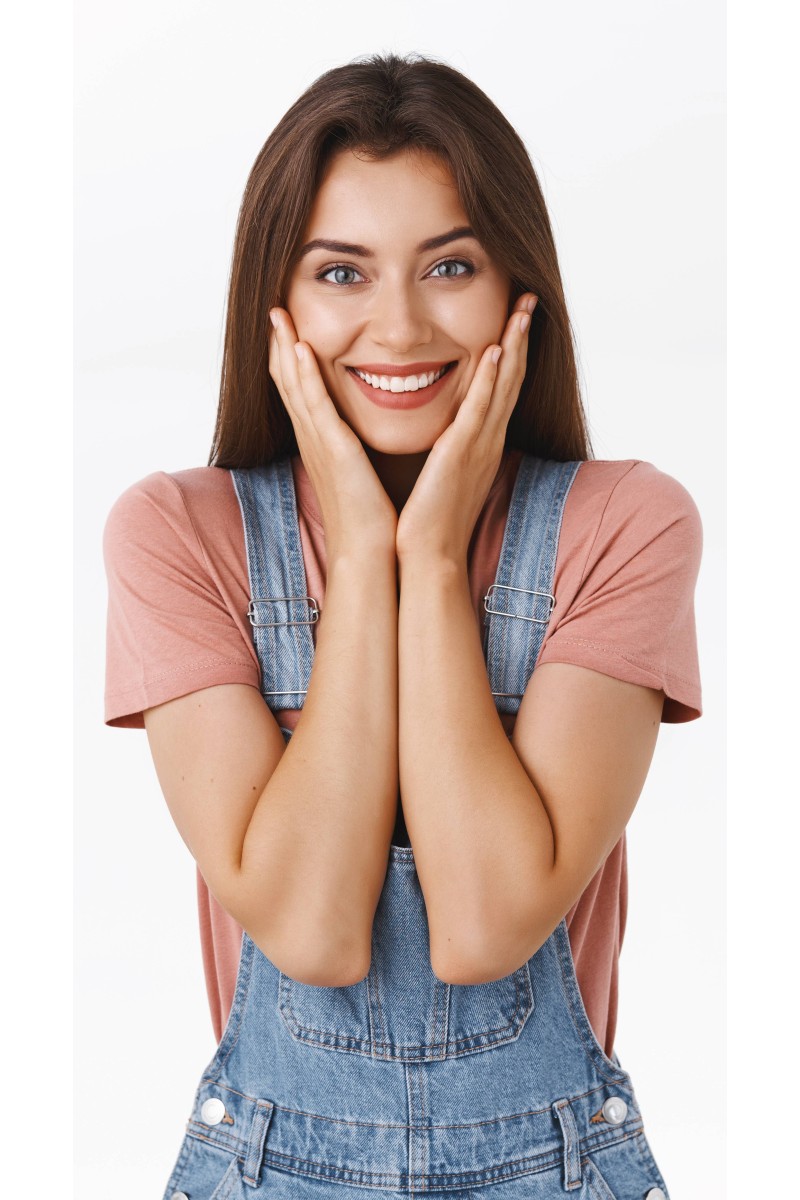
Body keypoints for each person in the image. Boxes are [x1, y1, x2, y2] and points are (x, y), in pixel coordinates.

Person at [103, 52, 701, 1200]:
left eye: (449, 265)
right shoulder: (177, 535)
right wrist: (362, 551)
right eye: (341, 272)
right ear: (273, 302)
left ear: (516, 283)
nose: (398, 325)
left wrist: (427, 559)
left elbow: (484, 925)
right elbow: (312, 933)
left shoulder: (622, 524)